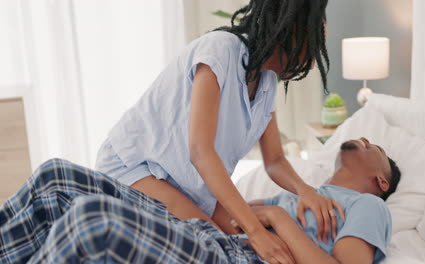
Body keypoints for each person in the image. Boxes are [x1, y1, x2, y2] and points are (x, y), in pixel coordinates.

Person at [95, 0, 333, 262]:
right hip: (138, 166)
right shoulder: (220, 50)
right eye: (315, 47)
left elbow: (275, 160)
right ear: (293, 32)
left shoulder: (266, 85)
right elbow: (200, 152)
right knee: (216, 249)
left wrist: (306, 190)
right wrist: (255, 231)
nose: (312, 64)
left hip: (190, 183)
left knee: (260, 246)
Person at [0, 137, 401, 264]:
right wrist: (266, 213)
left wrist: (276, 218)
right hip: (212, 237)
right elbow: (232, 221)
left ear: (380, 178)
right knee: (57, 178)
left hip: (240, 260)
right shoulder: (301, 196)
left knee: (93, 220)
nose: (366, 139)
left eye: (375, 146)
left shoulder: (370, 206)